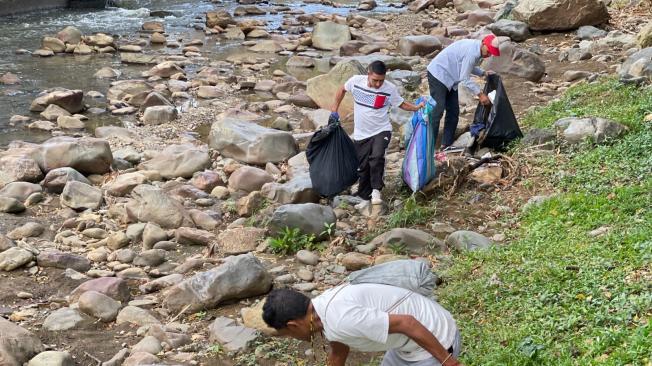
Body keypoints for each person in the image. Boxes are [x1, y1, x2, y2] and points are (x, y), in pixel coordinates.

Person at [263, 285, 462, 366]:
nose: (293, 338)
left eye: (288, 334)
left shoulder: (341, 319)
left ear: (293, 325)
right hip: (405, 346)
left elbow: (407, 322)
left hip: (437, 338)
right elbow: (340, 350)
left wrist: (448, 361)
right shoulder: (322, 309)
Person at [331, 60, 424, 205]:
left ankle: (376, 190)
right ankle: (363, 193)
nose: (378, 84)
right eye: (375, 80)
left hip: (382, 129)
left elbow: (401, 103)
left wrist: (416, 107)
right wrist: (334, 111)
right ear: (368, 74)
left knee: (377, 157)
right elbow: (341, 90)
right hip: (361, 133)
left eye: (381, 81)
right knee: (363, 166)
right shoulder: (355, 81)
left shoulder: (389, 88)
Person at [427, 34, 505, 150]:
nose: (489, 55)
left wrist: (483, 73)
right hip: (439, 74)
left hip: (451, 77)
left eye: (491, 53)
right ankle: (429, 147)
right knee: (437, 111)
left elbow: (468, 66)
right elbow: (465, 78)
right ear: (483, 43)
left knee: (453, 112)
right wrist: (480, 94)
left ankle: (446, 145)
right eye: (489, 51)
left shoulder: (477, 50)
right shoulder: (472, 52)